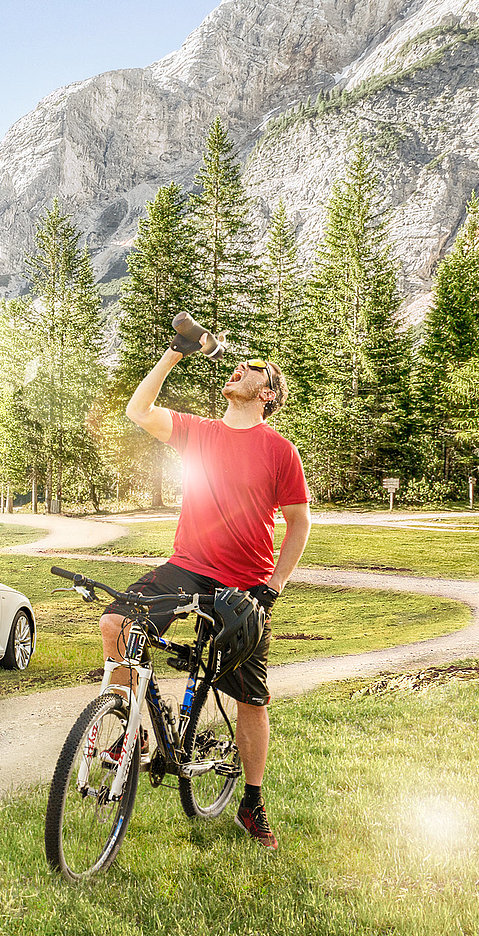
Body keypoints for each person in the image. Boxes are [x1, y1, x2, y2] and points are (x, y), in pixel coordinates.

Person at [104, 318, 311, 851]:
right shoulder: (201, 433)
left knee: (251, 699)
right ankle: (131, 731)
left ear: (266, 394)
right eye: (239, 362)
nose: (239, 365)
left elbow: (299, 522)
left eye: (254, 368)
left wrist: (274, 587)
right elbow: (138, 411)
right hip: (188, 564)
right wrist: (174, 352)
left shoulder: (280, 451)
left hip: (244, 585)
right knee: (115, 622)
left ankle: (252, 803)